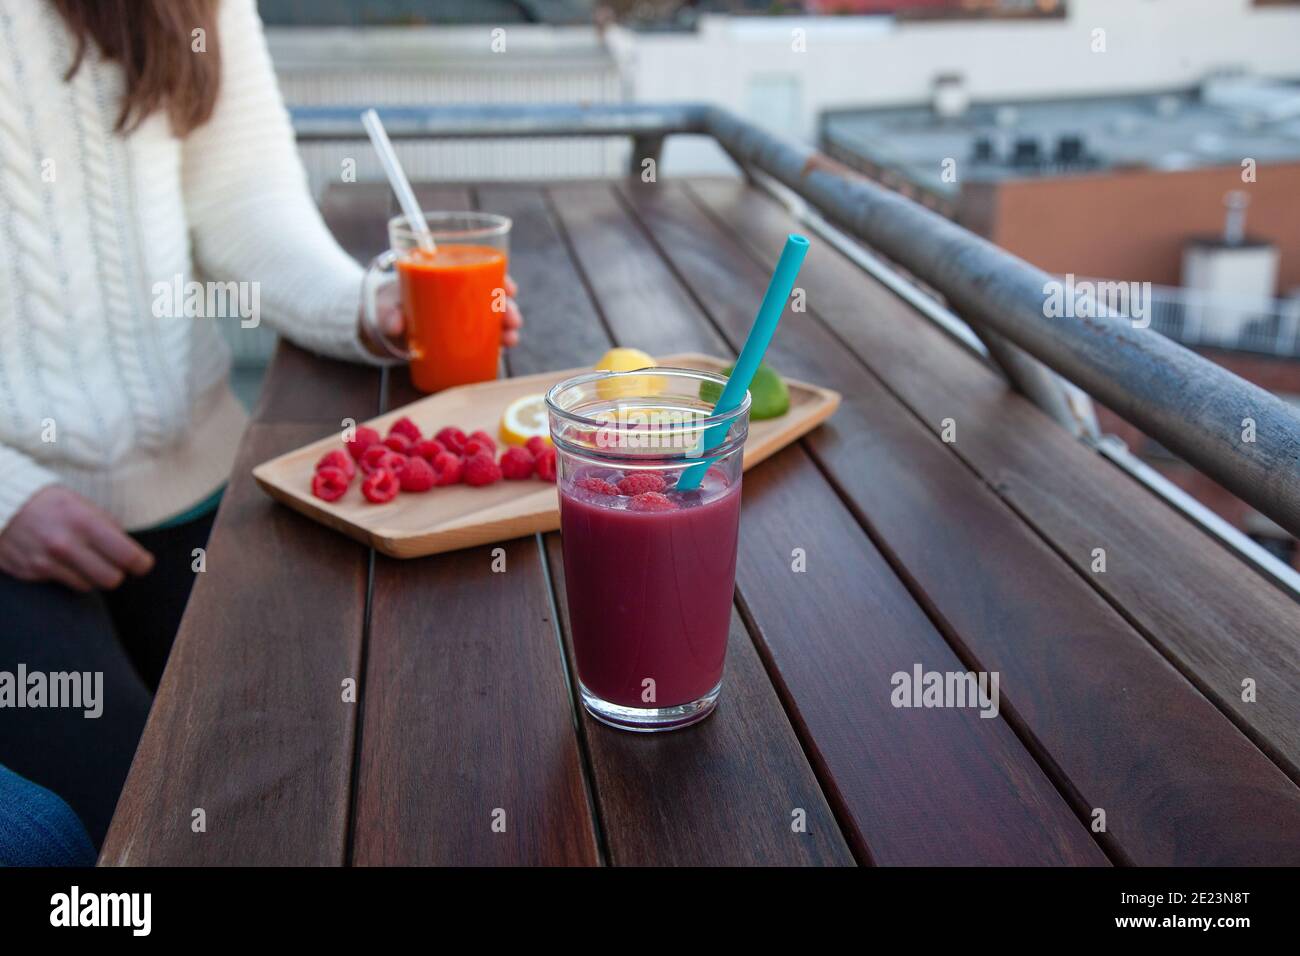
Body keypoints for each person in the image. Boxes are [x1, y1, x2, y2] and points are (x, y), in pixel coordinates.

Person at [0, 0, 523, 855]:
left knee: (328, 772)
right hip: (13, 529)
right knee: (132, 835)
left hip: (198, 482)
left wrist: (366, 305)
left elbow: (242, 198)